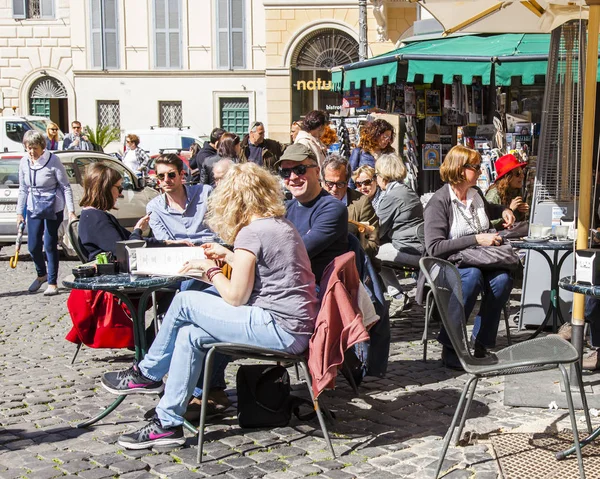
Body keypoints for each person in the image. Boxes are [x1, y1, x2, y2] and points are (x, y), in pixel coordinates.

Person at [101, 162, 319, 450]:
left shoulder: (251, 232)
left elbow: (235, 297)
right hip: (293, 324)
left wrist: (209, 271)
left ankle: (147, 374)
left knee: (184, 301)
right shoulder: (278, 224)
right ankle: (168, 423)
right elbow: (265, 270)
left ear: (232, 199)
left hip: (280, 328)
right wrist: (229, 256)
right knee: (190, 334)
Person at [424, 145, 515, 370]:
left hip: (479, 258)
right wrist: (476, 239)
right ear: (460, 169)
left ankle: (481, 342)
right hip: (447, 263)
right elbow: (435, 247)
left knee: (503, 279)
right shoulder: (439, 201)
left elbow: (489, 210)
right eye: (476, 167)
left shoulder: (476, 195)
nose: (481, 171)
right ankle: (451, 345)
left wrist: (503, 209)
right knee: (471, 277)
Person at [78, 163, 186, 262]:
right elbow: (127, 252)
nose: (120, 194)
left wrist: (168, 243)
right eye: (119, 188)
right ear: (106, 188)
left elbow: (134, 241)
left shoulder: (93, 215)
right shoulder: (96, 219)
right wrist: (137, 230)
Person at [16, 130, 77, 296]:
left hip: (52, 205)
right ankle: (41, 274)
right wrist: (19, 212)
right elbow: (23, 188)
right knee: (33, 246)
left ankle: (52, 282)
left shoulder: (53, 161)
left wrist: (71, 211)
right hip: (33, 206)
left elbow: (65, 186)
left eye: (34, 147)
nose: (31, 151)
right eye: (28, 148)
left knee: (50, 244)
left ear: (42, 146)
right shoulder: (24, 162)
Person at [279, 143, 348, 283]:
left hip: (315, 292)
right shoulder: (285, 208)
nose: (292, 177)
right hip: (286, 284)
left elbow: (296, 253)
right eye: (285, 172)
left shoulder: (332, 208)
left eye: (300, 169)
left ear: (317, 172)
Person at [374, 153, 424, 315]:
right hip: (417, 246)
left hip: (409, 249)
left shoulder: (392, 196)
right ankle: (397, 294)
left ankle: (396, 295)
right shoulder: (406, 190)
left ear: (382, 176)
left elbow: (377, 229)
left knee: (370, 252)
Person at [322, 154, 379, 261]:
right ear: (322, 181)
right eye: (329, 183)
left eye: (340, 184)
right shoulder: (316, 201)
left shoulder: (361, 203)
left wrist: (351, 256)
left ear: (347, 182)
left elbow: (373, 242)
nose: (334, 189)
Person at [146, 153, 213, 244]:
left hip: (210, 249)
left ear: (181, 174)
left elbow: (221, 227)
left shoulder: (205, 193)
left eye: (171, 175)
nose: (166, 180)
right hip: (178, 253)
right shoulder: (154, 207)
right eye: (161, 176)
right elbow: (164, 241)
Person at [485, 153, 529, 229]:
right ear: (507, 178)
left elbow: (518, 221)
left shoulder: (516, 190)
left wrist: (522, 211)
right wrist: (509, 210)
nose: (522, 176)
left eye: (522, 172)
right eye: (518, 174)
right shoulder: (494, 194)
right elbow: (486, 224)